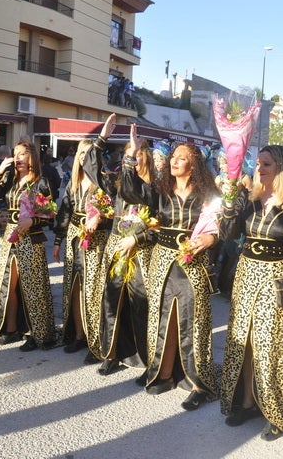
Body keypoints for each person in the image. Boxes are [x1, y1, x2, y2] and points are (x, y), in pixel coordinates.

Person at [121, 125, 219, 411]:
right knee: (162, 317)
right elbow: (130, 191)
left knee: (193, 320)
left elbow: (222, 226)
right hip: (163, 261)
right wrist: (132, 153)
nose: (174, 161)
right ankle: (162, 373)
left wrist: (211, 237)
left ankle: (199, 383)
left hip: (193, 262)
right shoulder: (159, 190)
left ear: (194, 165)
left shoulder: (207, 194)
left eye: (181, 158)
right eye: (173, 157)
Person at [219, 145, 283, 441]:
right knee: (243, 345)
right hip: (246, 277)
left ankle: (277, 413)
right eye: (258, 163)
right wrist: (231, 201)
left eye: (267, 164)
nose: (260, 169)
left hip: (275, 285)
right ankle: (247, 403)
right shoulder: (253, 198)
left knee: (268, 349)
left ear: (281, 167)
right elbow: (228, 233)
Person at [89, 116, 155, 379]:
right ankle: (112, 354)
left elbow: (159, 225)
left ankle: (148, 359)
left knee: (140, 304)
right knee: (112, 302)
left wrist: (137, 238)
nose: (130, 161)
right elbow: (92, 168)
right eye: (128, 156)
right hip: (117, 247)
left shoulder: (154, 189)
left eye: (136, 156)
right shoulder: (116, 186)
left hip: (142, 253)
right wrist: (102, 139)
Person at [0, 140, 56, 351]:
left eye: (22, 153)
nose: (17, 158)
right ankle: (12, 327)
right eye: (15, 154)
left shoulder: (41, 182)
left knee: (32, 286)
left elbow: (50, 215)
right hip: (9, 236)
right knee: (9, 283)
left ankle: (38, 332)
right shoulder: (11, 180)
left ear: (32, 157)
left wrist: (33, 221)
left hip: (31, 239)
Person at [53, 139, 111, 362]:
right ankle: (78, 335)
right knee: (75, 289)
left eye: (88, 153)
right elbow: (64, 212)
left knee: (93, 291)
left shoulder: (103, 182)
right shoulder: (73, 183)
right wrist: (58, 240)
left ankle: (95, 340)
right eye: (80, 153)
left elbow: (113, 211)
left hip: (95, 241)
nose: (83, 157)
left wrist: (99, 218)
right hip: (73, 238)